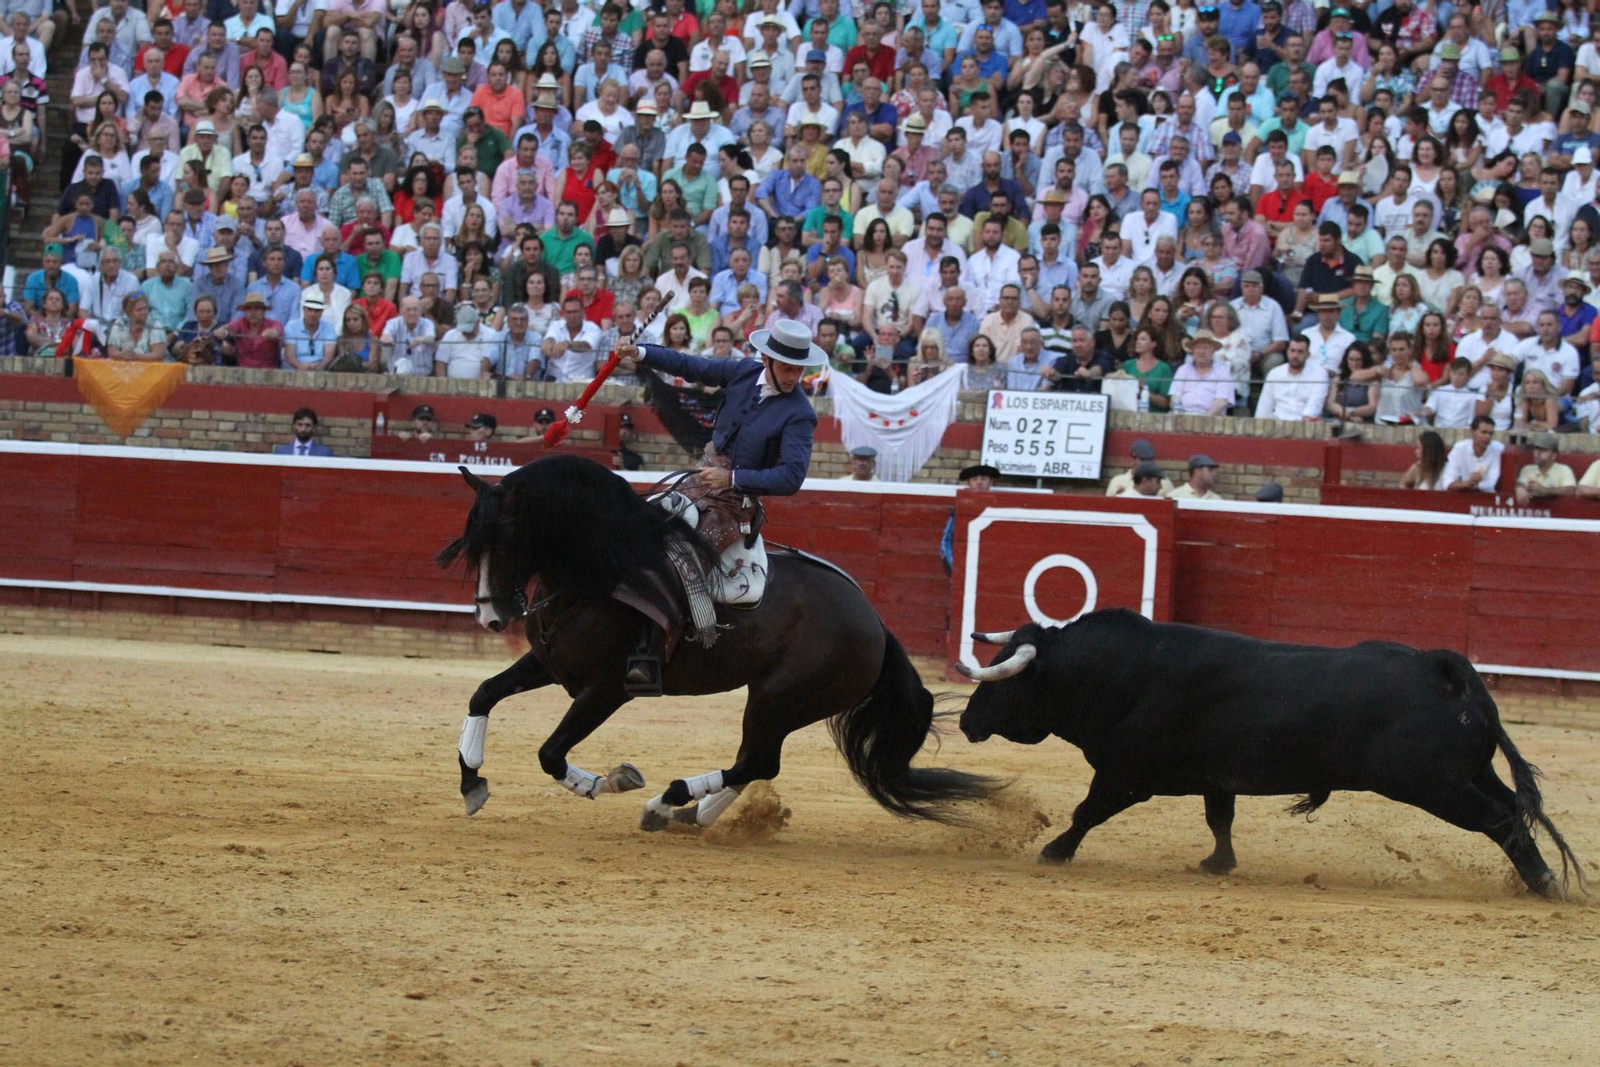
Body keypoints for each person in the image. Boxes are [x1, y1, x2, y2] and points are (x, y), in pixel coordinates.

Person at [617, 317, 827, 609]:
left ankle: (692, 627)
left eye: (798, 369)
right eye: (786, 367)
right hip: (697, 481)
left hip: (733, 505)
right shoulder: (744, 371)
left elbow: (791, 477)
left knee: (684, 565)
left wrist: (731, 479)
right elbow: (691, 366)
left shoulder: (800, 413)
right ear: (767, 359)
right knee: (643, 526)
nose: (793, 376)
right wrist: (640, 353)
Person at [939, 462, 1000, 574]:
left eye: (983, 479)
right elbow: (947, 539)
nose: (979, 482)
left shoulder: (999, 505)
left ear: (991, 482)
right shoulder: (960, 506)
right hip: (964, 564)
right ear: (969, 483)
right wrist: (954, 565)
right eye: (975, 479)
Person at [1443, 414, 1505, 492]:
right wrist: (1468, 484)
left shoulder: (1498, 450)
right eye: (1483, 432)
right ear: (1472, 432)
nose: (1487, 436)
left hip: (1487, 498)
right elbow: (1447, 483)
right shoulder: (1459, 449)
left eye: (1491, 433)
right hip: (1461, 496)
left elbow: (1491, 483)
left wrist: (1474, 484)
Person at [1514, 431, 1577, 507]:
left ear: (1554, 455)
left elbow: (1570, 490)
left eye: (1543, 450)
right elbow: (1520, 483)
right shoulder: (1527, 469)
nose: (1537, 453)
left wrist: (1546, 491)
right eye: (1536, 449)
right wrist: (1520, 488)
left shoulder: (1564, 469)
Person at [1105, 438, 1174, 497]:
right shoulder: (1117, 481)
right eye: (1143, 460)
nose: (1147, 464)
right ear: (1132, 460)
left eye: (1150, 460)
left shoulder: (1165, 483)